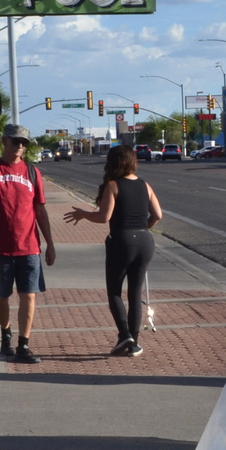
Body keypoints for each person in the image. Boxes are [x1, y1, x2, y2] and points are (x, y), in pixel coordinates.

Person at [63, 146, 162, 356]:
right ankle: (134, 343)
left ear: (113, 162)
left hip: (121, 241)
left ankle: (124, 334)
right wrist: (143, 228)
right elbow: (157, 215)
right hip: (145, 241)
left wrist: (83, 214)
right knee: (135, 293)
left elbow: (104, 217)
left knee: (115, 291)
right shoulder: (145, 185)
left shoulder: (113, 186)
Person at [0, 124, 56, 364]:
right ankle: (6, 333)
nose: (20, 146)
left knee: (28, 295)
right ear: (4, 141)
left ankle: (24, 344)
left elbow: (40, 211)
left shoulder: (32, 172)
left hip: (29, 247)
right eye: (16, 141)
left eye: (24, 143)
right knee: (2, 295)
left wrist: (50, 243)